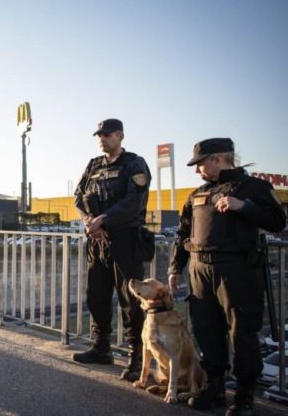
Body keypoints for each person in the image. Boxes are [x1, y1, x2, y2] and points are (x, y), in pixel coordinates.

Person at [168, 138, 286, 415]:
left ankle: (244, 397)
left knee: (242, 333)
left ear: (218, 158)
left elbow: (278, 222)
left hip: (237, 271)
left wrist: (243, 206)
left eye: (200, 164)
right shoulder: (197, 194)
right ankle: (215, 388)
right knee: (207, 331)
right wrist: (175, 267)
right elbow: (183, 234)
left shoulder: (254, 187)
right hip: (200, 269)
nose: (197, 170)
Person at [71, 118, 151, 382]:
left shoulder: (134, 163)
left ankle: (136, 357)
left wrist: (103, 219)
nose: (102, 139)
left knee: (131, 301)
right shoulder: (93, 165)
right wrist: (89, 222)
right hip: (97, 241)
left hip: (125, 240)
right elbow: (78, 196)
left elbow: (134, 201)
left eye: (107, 135)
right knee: (96, 296)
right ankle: (101, 348)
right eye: (99, 135)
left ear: (120, 136)